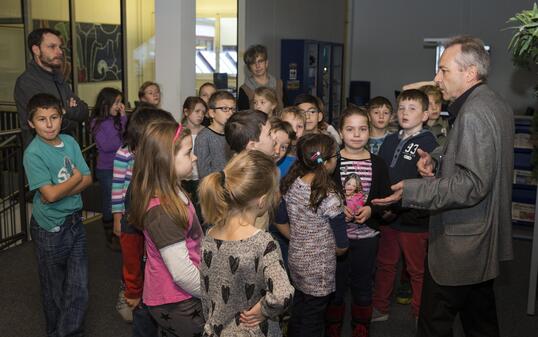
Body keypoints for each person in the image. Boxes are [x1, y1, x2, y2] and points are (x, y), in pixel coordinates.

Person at [372, 35, 514, 337]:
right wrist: (436, 159)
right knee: (480, 320)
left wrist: (410, 190)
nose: (437, 79)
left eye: (444, 70)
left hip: (460, 241)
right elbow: (470, 152)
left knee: (433, 324)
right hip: (480, 237)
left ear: (470, 73)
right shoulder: (493, 102)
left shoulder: (474, 112)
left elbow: (472, 184)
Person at [198, 150, 294, 337]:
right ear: (263, 201)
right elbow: (283, 294)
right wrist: (265, 310)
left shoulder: (210, 234)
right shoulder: (263, 243)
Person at [22, 93, 92, 337]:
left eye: (54, 117)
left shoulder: (70, 142)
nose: (49, 124)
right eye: (42, 119)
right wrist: (74, 180)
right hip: (50, 228)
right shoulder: (33, 153)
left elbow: (89, 178)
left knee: (79, 287)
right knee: (54, 290)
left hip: (75, 222)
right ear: (31, 123)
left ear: (62, 117)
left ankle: (70, 332)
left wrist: (63, 188)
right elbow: (50, 195)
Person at [129, 121, 204, 336]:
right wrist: (211, 290)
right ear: (166, 160)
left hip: (181, 295)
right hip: (176, 299)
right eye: (189, 153)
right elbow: (181, 273)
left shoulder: (173, 190)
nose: (194, 157)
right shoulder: (163, 212)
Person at [371, 89, 437, 323]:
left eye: (412, 108)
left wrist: (430, 164)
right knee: (385, 264)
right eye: (401, 108)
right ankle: (380, 308)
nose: (405, 113)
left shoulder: (428, 141)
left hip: (414, 217)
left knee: (417, 270)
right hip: (389, 215)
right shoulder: (389, 139)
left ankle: (420, 312)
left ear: (425, 115)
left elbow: (431, 172)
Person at [326, 106, 391, 337]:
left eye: (363, 129)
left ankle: (361, 328)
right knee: (335, 287)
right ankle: (332, 328)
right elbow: (316, 182)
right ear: (340, 133)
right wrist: (336, 207)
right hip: (335, 239)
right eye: (350, 129)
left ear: (369, 131)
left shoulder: (379, 163)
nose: (356, 134)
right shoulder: (330, 161)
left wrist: (371, 209)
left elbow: (386, 198)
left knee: (363, 287)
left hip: (367, 238)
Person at [276, 133, 349, 337]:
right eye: (336, 156)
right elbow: (342, 245)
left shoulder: (291, 184)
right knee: (314, 320)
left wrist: (300, 239)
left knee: (299, 309)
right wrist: (323, 246)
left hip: (296, 259)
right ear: (327, 162)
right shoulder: (329, 197)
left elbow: (279, 220)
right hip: (319, 269)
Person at [113, 107, 175, 336]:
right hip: (146, 277)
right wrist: (133, 288)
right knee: (145, 321)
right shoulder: (139, 190)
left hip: (164, 275)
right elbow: (130, 243)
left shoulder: (163, 181)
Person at [15, 28, 89, 148]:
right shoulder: (27, 82)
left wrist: (66, 111)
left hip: (66, 149)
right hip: (43, 154)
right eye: (52, 47)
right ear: (36, 50)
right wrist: (69, 115)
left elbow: (84, 111)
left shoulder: (59, 78)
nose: (59, 52)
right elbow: (50, 122)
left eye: (60, 47)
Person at [90, 87, 127, 249]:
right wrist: (121, 137)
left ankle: (119, 230)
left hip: (123, 166)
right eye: (116, 102)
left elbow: (127, 137)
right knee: (109, 202)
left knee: (122, 200)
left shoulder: (119, 119)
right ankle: (110, 234)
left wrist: (124, 118)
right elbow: (107, 145)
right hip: (106, 169)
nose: (119, 106)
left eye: (120, 102)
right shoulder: (96, 123)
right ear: (106, 103)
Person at [194, 91, 235, 180]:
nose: (230, 113)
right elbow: (204, 174)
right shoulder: (203, 137)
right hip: (214, 190)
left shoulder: (233, 134)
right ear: (212, 113)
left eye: (233, 109)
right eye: (225, 109)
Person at [181, 96, 208, 221]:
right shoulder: (179, 131)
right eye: (197, 111)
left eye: (203, 112)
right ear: (186, 112)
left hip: (200, 177)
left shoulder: (205, 132)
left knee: (199, 212)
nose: (200, 115)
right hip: (182, 178)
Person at [238, 44, 285, 111]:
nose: (257, 66)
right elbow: (244, 117)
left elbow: (286, 110)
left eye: (260, 61)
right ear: (249, 68)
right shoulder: (245, 89)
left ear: (266, 63)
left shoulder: (279, 84)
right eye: (253, 63)